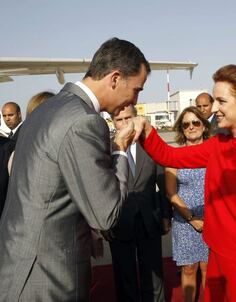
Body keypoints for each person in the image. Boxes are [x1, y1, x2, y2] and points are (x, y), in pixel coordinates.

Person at [0, 37, 150, 301]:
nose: (133, 100)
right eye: (137, 89)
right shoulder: (84, 122)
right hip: (49, 275)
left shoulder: (46, 110)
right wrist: (120, 148)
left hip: (19, 264)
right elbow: (106, 215)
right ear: (115, 78)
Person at [133, 64, 236, 301]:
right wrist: (146, 129)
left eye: (221, 101)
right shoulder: (218, 145)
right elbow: (170, 156)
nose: (214, 108)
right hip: (217, 255)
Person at [104, 105, 171, 302]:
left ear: (136, 118)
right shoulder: (105, 150)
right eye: (119, 120)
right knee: (125, 277)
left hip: (149, 219)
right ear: (113, 123)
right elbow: (101, 188)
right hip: (119, 222)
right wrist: (103, 221)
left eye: (127, 118)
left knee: (154, 275)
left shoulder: (150, 144)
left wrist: (166, 214)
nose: (124, 124)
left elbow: (162, 179)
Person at [165, 106, 210, 301]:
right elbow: (171, 193)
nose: (191, 127)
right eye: (186, 124)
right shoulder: (174, 156)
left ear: (204, 126)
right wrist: (192, 219)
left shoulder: (215, 153)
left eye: (195, 122)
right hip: (185, 221)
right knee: (189, 268)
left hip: (213, 220)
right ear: (181, 129)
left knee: (209, 268)